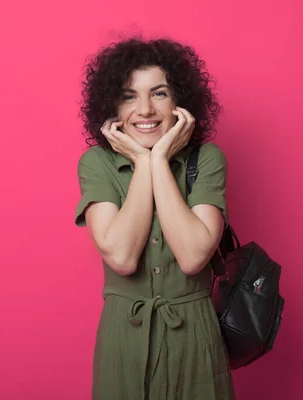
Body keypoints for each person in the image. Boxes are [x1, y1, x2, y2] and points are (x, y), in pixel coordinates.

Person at [74, 36, 236, 400]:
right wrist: (144, 163)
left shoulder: (207, 159)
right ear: (112, 104)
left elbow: (194, 256)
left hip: (195, 338)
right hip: (124, 341)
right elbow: (121, 257)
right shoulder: (96, 164)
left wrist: (158, 159)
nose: (145, 109)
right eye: (130, 95)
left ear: (180, 100)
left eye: (159, 93)